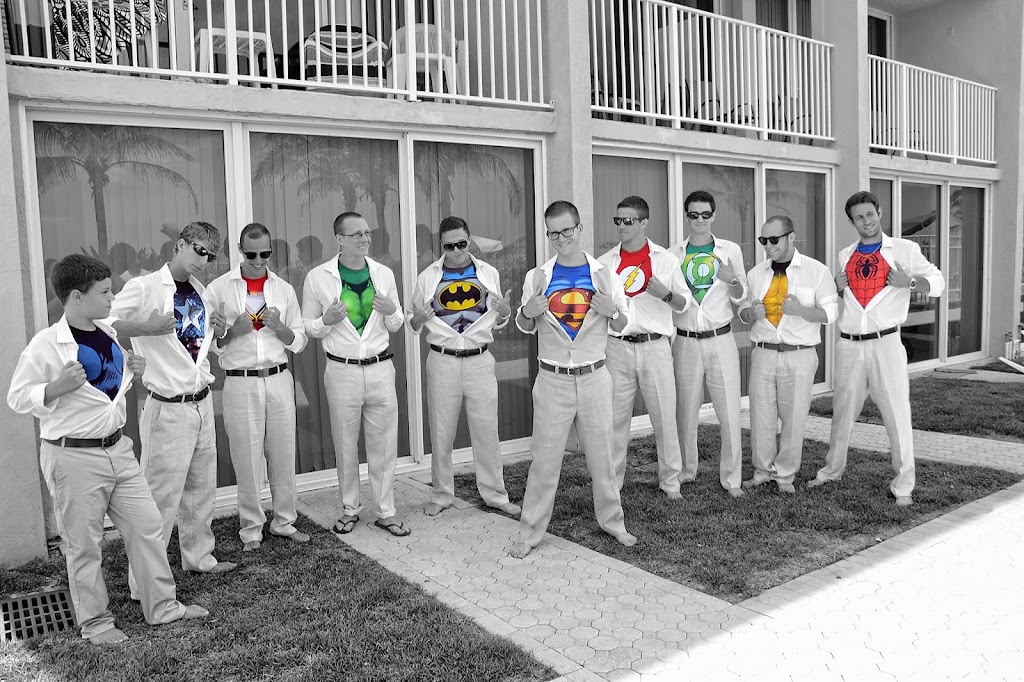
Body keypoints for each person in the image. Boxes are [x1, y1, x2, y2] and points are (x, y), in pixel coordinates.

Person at [8, 255, 208, 645]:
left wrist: (134, 368)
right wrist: (55, 388)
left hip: (119, 450)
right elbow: (16, 397)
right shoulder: (46, 344)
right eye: (104, 292)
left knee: (147, 525)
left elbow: (107, 387)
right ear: (76, 296)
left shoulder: (108, 331)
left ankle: (163, 607)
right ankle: (96, 623)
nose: (112, 298)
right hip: (73, 457)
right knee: (84, 545)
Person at [109, 222, 237, 585]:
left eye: (211, 255)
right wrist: (145, 329)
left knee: (201, 489)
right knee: (159, 499)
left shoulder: (202, 292)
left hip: (202, 403)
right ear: (180, 244)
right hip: (166, 406)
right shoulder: (145, 287)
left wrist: (220, 329)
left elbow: (202, 348)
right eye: (199, 250)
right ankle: (145, 582)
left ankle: (199, 558)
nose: (204, 260)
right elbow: (103, 322)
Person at [509, 200, 637, 559]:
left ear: (580, 228)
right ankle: (530, 533)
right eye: (554, 233)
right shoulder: (537, 277)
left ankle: (613, 523)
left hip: (595, 376)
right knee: (544, 462)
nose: (561, 238)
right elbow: (525, 325)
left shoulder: (604, 274)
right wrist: (527, 312)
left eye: (567, 230)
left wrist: (611, 311)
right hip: (552, 379)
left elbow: (624, 323)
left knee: (603, 458)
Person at [808, 191, 944, 505]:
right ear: (852, 222)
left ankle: (903, 486)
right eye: (859, 217)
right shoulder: (845, 254)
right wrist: (837, 289)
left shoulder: (905, 250)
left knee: (897, 414)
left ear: (879, 212)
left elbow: (937, 283)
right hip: (849, 345)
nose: (866, 221)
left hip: (886, 344)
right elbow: (848, 299)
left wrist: (909, 282)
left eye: (870, 214)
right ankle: (831, 471)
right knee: (842, 413)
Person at [301, 212, 409, 536]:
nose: (365, 239)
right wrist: (326, 321)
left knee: (384, 445)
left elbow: (396, 322)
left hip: (380, 369)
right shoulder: (318, 277)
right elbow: (307, 327)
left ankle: (386, 511)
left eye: (367, 233)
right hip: (342, 371)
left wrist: (392, 311)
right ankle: (350, 509)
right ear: (340, 239)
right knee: (345, 445)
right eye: (357, 234)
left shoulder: (383, 274)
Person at [205, 223, 309, 551]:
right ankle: (251, 528)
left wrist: (279, 327)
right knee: (246, 456)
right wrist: (232, 332)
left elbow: (299, 340)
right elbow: (208, 342)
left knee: (283, 452)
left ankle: (285, 521)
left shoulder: (283, 289)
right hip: (240, 381)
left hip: (278, 378)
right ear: (240, 250)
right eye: (252, 255)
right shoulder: (218, 289)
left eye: (265, 253)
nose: (259, 260)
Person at [408, 216, 521, 518]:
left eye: (461, 244)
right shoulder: (427, 277)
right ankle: (442, 494)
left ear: (469, 240)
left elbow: (497, 319)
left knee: (487, 431)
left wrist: (504, 314)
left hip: (480, 360)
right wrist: (418, 318)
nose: (456, 250)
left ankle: (495, 495)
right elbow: (412, 321)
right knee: (441, 433)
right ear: (441, 246)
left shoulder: (488, 273)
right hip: (442, 359)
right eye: (450, 246)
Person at [597, 196, 692, 499]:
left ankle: (671, 481)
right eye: (618, 220)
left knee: (664, 417)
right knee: (615, 420)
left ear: (644, 222)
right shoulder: (606, 263)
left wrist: (665, 294)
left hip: (655, 347)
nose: (622, 226)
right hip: (617, 347)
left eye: (628, 221)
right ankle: (612, 483)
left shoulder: (665, 260)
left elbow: (684, 304)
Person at [738, 216, 838, 495]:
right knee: (761, 416)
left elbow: (831, 313)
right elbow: (742, 311)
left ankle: (785, 475)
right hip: (763, 352)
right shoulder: (756, 273)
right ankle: (762, 471)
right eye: (763, 240)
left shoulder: (816, 271)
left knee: (794, 418)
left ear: (791, 237)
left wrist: (801, 311)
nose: (768, 246)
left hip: (799, 354)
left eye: (774, 240)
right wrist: (750, 313)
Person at [670, 190, 749, 498]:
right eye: (694, 215)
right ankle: (686, 471)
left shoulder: (730, 250)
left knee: (729, 411)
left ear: (713, 215)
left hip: (720, 338)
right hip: (685, 340)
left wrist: (731, 279)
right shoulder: (673, 254)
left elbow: (741, 296)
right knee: (685, 412)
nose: (699, 220)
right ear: (686, 216)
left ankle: (732, 478)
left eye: (705, 214)